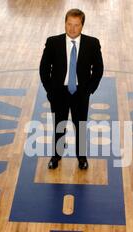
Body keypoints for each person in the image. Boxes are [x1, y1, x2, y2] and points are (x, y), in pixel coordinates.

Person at [39, 8, 104, 170]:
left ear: (82, 25)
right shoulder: (53, 42)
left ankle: (81, 158)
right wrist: (50, 90)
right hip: (59, 93)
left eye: (76, 25)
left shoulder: (92, 43)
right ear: (65, 23)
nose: (72, 28)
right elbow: (44, 69)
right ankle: (56, 155)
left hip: (80, 94)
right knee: (59, 125)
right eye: (69, 24)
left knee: (80, 126)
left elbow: (98, 69)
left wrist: (89, 90)